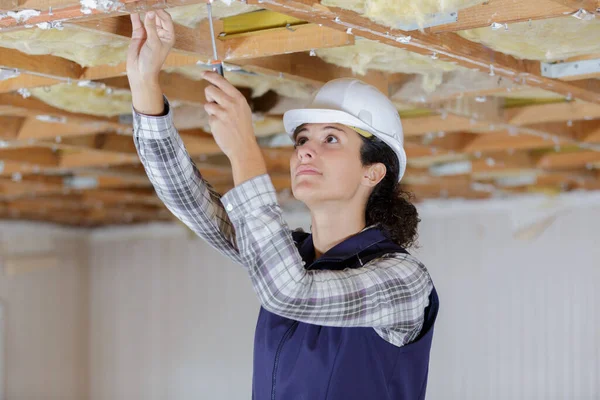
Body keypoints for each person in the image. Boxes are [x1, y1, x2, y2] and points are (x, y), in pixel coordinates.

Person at [127, 10, 439, 400]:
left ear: (372, 173)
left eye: (330, 139)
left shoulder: (404, 280)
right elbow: (189, 202)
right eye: (302, 139)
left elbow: (289, 293)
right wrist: (144, 86)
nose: (306, 150)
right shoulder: (290, 255)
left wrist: (244, 152)